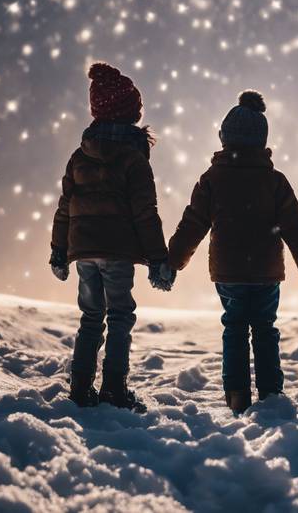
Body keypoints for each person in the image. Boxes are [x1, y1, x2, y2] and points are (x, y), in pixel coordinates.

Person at [168, 90, 298, 414]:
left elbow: (193, 224)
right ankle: (271, 394)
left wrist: (172, 263)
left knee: (235, 329)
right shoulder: (274, 181)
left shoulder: (212, 179)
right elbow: (294, 227)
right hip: (266, 273)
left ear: (224, 138)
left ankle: (237, 395)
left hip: (228, 272)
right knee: (265, 329)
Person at [50, 62, 172, 411]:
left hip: (85, 252)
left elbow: (64, 208)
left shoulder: (79, 156)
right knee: (119, 316)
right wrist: (158, 257)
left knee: (91, 317)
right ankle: (114, 389)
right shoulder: (133, 159)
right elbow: (145, 212)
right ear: (130, 113)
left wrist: (59, 250)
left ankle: (80, 388)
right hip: (117, 252)